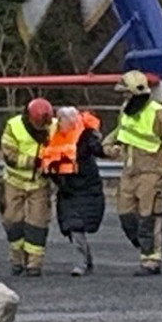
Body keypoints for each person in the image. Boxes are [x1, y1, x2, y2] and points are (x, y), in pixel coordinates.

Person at [104, 71, 162, 274]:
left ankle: (151, 261)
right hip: (129, 171)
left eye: (126, 94)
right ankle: (144, 247)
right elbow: (119, 132)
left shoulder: (158, 113)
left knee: (149, 217)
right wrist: (108, 147)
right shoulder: (125, 110)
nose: (124, 98)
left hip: (152, 172)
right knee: (126, 215)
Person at [41, 107, 105, 276]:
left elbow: (98, 149)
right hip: (66, 189)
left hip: (85, 187)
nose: (60, 123)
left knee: (76, 226)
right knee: (71, 227)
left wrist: (106, 147)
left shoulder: (85, 136)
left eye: (63, 120)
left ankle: (81, 264)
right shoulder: (53, 136)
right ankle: (86, 261)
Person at [0, 98, 53, 276]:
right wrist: (35, 162)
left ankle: (34, 264)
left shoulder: (53, 126)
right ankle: (17, 259)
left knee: (38, 222)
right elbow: (10, 156)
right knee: (12, 220)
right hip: (14, 182)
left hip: (39, 183)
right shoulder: (13, 126)